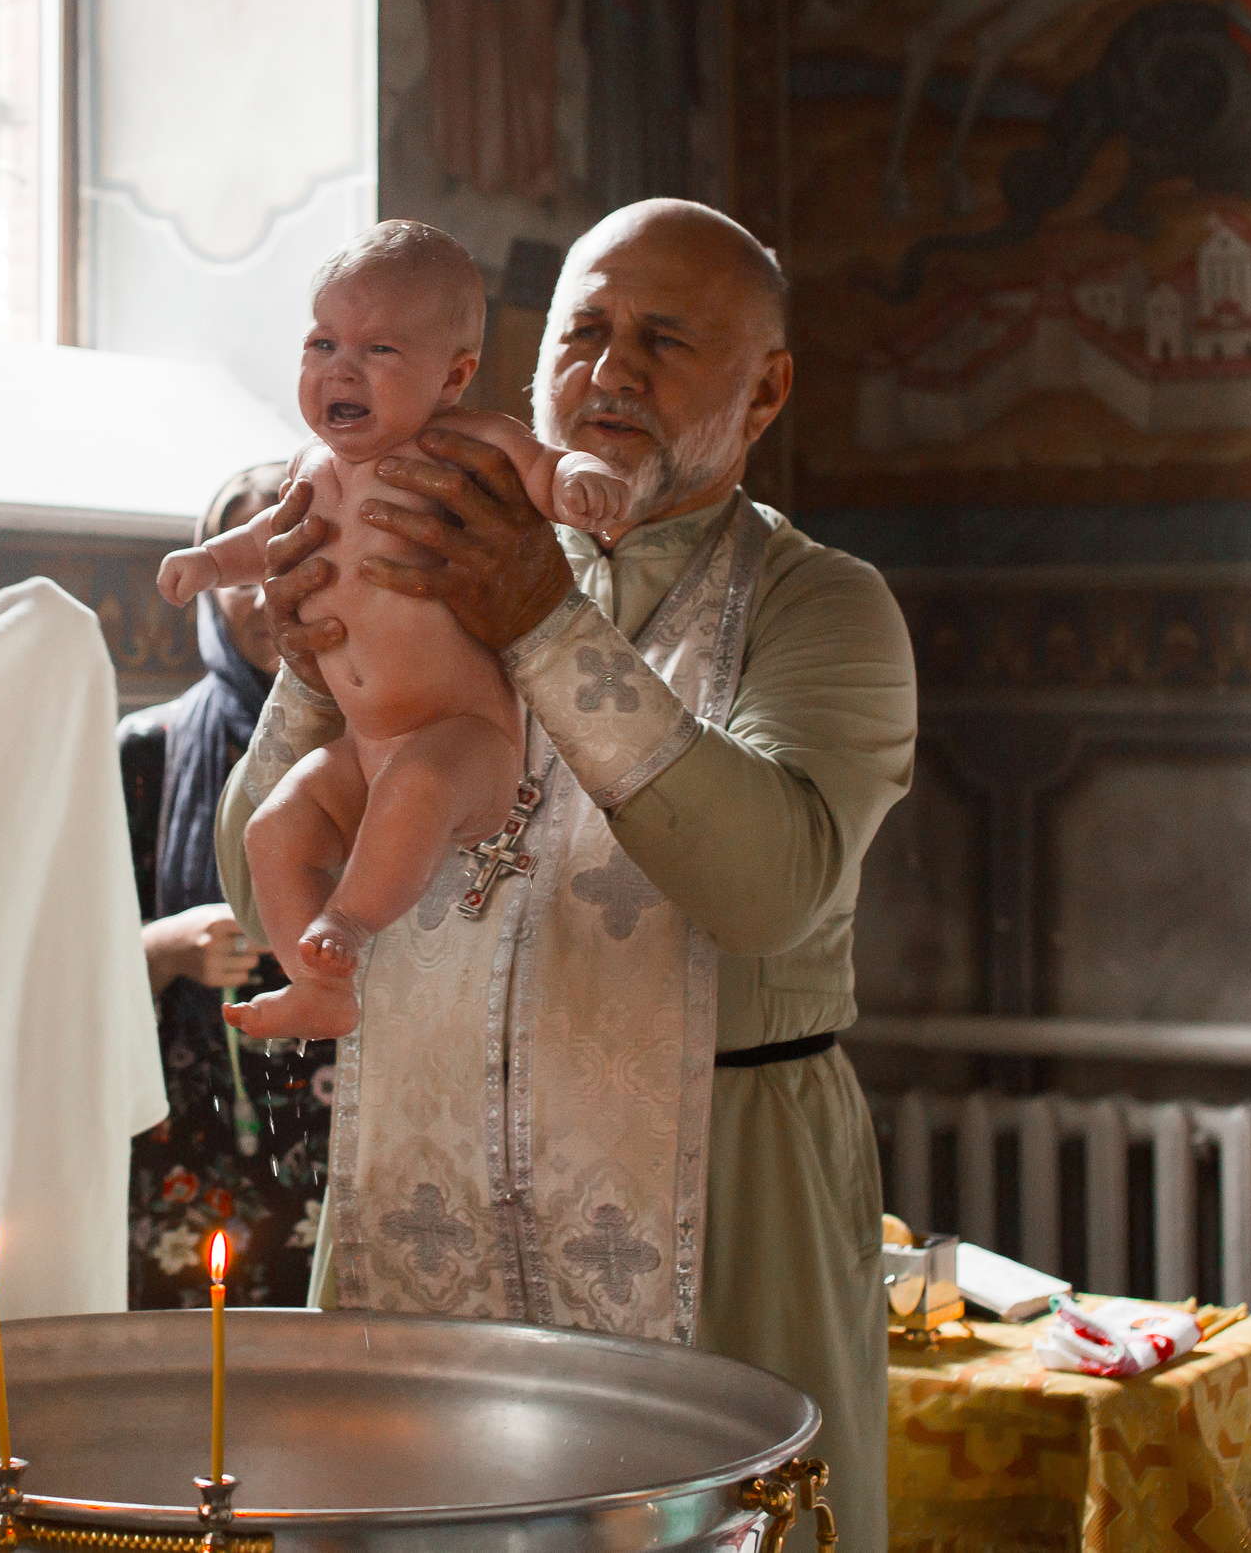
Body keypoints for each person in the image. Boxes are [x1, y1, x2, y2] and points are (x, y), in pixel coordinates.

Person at [214, 199, 914, 1545]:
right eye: (583, 333)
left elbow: (768, 890)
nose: (610, 371)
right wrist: (310, 672)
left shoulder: (820, 604)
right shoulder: (403, 543)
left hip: (718, 1190)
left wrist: (540, 618)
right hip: (424, 1176)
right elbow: (263, 902)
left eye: (665, 339)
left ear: (766, 389)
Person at [157, 222, 629, 1034]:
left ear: (455, 375)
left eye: (378, 350)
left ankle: (346, 923)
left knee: (416, 787)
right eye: (322, 343)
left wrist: (581, 477)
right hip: (363, 743)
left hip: (464, 742)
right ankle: (319, 986)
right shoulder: (309, 467)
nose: (340, 369)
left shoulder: (470, 445)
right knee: (276, 828)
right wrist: (209, 562)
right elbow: (271, 534)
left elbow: (545, 470)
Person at [121, 463, 335, 1309]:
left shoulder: (387, 749)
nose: (265, 596)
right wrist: (166, 947)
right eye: (245, 573)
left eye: (291, 561)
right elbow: (56, 964)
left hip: (348, 1141)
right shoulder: (146, 754)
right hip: (193, 1148)